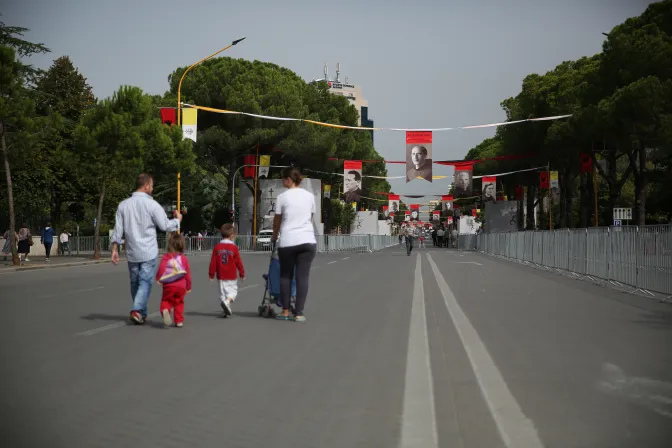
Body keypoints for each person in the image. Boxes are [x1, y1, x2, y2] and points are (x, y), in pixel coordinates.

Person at [111, 173, 182, 325]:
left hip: (131, 251)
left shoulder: (123, 205)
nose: (153, 188)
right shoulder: (152, 205)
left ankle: (141, 313)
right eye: (152, 185)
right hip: (148, 251)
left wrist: (115, 249)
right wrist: (178, 220)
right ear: (147, 186)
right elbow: (165, 225)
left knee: (135, 282)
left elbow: (118, 229)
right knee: (144, 282)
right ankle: (137, 309)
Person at [272, 167, 317, 323]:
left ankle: (285, 311)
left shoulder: (282, 197)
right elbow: (310, 218)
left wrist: (274, 235)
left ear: (289, 180)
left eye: (283, 179)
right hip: (307, 241)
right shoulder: (310, 196)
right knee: (302, 277)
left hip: (288, 241)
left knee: (286, 275)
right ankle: (299, 313)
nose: (282, 182)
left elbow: (277, 221)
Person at [209, 223, 246, 317]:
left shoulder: (217, 247)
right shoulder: (233, 248)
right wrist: (242, 273)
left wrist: (211, 274)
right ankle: (227, 302)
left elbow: (213, 262)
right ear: (232, 235)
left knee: (223, 292)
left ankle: (225, 307)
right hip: (231, 274)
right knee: (233, 291)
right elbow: (238, 262)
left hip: (221, 275)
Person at [156, 233, 192, 328]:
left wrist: (159, 278)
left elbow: (161, 268)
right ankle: (179, 321)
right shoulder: (184, 259)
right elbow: (187, 274)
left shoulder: (166, 257)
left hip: (169, 285)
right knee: (179, 302)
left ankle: (165, 309)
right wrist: (188, 286)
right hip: (181, 285)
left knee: (166, 300)